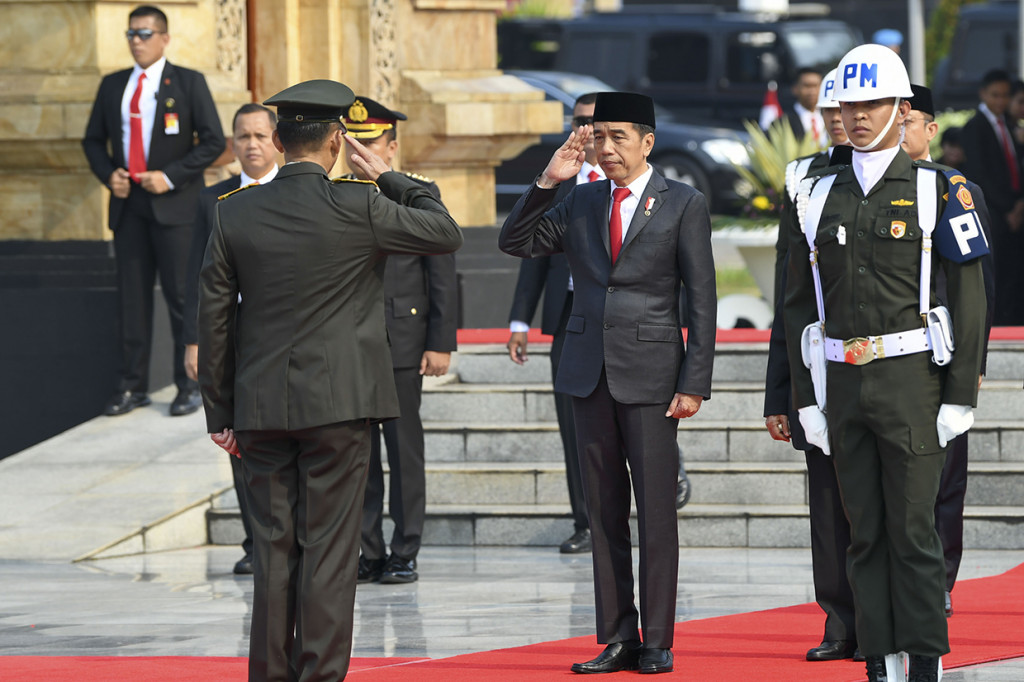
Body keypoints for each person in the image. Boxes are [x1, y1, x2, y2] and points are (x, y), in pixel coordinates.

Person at [198, 79, 462, 681]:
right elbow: (444, 233)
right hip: (340, 408)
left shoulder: (233, 211)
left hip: (260, 408)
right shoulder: (359, 203)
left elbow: (213, 318)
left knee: (273, 551)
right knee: (332, 554)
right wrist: (387, 176)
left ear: (282, 140)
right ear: (338, 142)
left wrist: (220, 413)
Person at [784, 45, 988, 682]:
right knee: (863, 532)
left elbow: (970, 300)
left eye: (874, 104)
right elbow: (797, 308)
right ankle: (878, 659)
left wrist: (959, 397)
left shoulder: (938, 190)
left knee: (914, 532)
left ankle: (923, 660)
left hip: (911, 383)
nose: (860, 116)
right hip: (843, 382)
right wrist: (805, 399)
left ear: (904, 110)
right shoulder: (813, 192)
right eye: (850, 105)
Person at [499, 91, 717, 675]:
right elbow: (515, 242)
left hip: (651, 375)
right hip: (587, 370)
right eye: (600, 136)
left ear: (648, 142)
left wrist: (694, 381)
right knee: (604, 512)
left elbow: (702, 295)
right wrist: (549, 181)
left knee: (655, 512)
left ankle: (659, 639)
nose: (608, 147)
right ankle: (618, 634)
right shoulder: (581, 199)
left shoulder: (683, 203)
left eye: (620, 136)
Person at [82, 4, 225, 417]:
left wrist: (171, 176)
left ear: (164, 38)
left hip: (175, 204)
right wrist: (110, 175)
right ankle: (131, 386)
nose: (136, 42)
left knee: (183, 297)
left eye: (144, 34)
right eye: (131, 34)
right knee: (132, 299)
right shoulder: (113, 86)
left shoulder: (188, 82)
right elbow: (92, 141)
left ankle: (191, 385)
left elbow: (213, 141)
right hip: (129, 206)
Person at [339, 96, 459, 585]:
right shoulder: (339, 194)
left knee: (404, 450)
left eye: (370, 145)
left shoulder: (418, 194)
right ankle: (368, 549)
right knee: (358, 454)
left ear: (391, 145)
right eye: (353, 145)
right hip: (350, 344)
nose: (360, 154)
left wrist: (440, 341)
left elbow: (443, 275)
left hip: (404, 340)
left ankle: (405, 549)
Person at [764, 67, 858, 663]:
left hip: (888, 371)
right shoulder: (803, 180)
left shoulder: (918, 182)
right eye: (828, 114)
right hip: (819, 375)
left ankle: (884, 621)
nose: (837, 122)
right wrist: (779, 394)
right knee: (826, 508)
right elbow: (788, 296)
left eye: (844, 110)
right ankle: (839, 622)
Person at [901, 84, 996, 619]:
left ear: (930, 128)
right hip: (892, 360)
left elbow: (983, 285)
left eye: (907, 122)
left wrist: (973, 363)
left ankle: (939, 583)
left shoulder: (956, 189)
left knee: (945, 480)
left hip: (943, 354)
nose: (898, 131)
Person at [181, 102, 280, 576]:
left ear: (277, 140)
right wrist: (195, 340)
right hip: (232, 341)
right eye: (243, 137)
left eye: (260, 136)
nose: (252, 145)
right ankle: (253, 541)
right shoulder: (213, 199)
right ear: (232, 144)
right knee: (238, 440)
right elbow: (196, 275)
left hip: (284, 338)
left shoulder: (295, 190)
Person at [962, 68, 1024, 325]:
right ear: (983, 94)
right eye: (995, 95)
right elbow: (978, 175)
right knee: (994, 273)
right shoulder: (975, 126)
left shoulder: (1009, 125)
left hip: (1015, 211)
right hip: (992, 212)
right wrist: (1008, 208)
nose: (1000, 101)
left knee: (1013, 272)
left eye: (1005, 96)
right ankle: (995, 323)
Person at [771, 68, 825, 148]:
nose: (812, 91)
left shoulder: (832, 116)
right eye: (807, 86)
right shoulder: (782, 123)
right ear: (795, 89)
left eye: (816, 86)